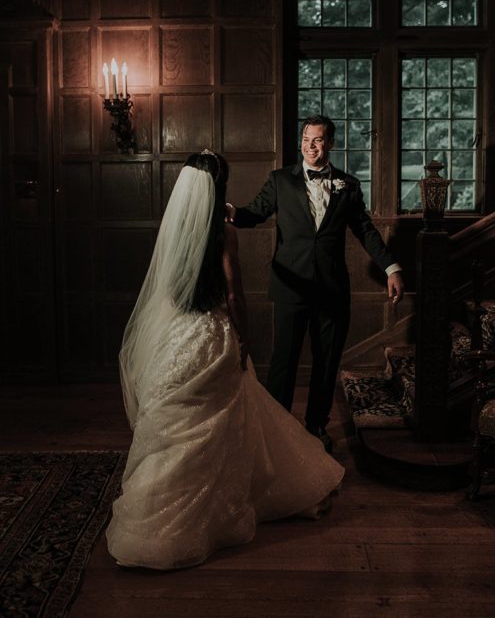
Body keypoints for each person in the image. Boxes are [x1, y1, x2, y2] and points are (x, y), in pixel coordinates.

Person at [107, 151, 344, 570]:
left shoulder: (175, 227)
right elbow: (233, 294)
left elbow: (167, 291)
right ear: (218, 188)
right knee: (229, 418)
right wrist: (243, 336)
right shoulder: (222, 232)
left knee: (172, 429)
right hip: (210, 335)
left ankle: (153, 512)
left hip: (174, 338)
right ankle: (225, 504)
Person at [227, 115, 404, 453]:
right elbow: (255, 213)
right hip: (290, 287)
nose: (310, 145)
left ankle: (316, 426)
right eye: (306, 139)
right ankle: (277, 428)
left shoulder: (348, 185)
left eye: (318, 140)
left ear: (330, 144)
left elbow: (365, 230)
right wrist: (232, 211)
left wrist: (391, 268)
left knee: (326, 362)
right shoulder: (280, 180)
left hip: (332, 290)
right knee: (284, 361)